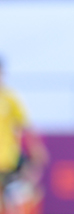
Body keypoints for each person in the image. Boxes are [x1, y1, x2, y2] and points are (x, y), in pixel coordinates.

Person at [0, 59, 48, 213]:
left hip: (7, 161)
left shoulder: (9, 98)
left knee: (25, 195)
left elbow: (25, 126)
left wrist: (36, 150)